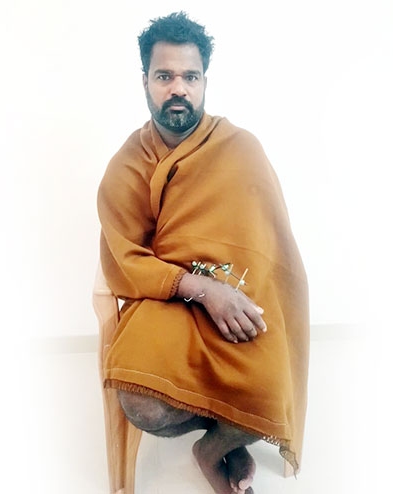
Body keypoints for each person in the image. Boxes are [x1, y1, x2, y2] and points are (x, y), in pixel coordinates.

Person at [97, 12, 309, 494]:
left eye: (190, 77)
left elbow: (270, 248)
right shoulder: (127, 165)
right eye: (164, 76)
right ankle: (224, 425)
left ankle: (213, 448)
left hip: (240, 293)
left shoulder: (241, 149)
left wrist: (232, 294)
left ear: (204, 82)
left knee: (270, 388)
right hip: (170, 296)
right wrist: (201, 289)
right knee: (141, 402)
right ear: (145, 82)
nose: (178, 89)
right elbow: (127, 258)